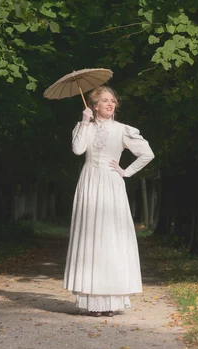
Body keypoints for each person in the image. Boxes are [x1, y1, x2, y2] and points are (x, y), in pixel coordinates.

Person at [63, 86, 155, 317]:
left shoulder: (122, 130)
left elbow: (147, 153)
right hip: (89, 183)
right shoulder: (84, 127)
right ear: (94, 106)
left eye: (112, 100)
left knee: (110, 237)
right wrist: (84, 122)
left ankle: (112, 300)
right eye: (104, 100)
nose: (110, 104)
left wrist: (126, 171)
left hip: (111, 184)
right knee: (91, 236)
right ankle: (91, 300)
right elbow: (77, 149)